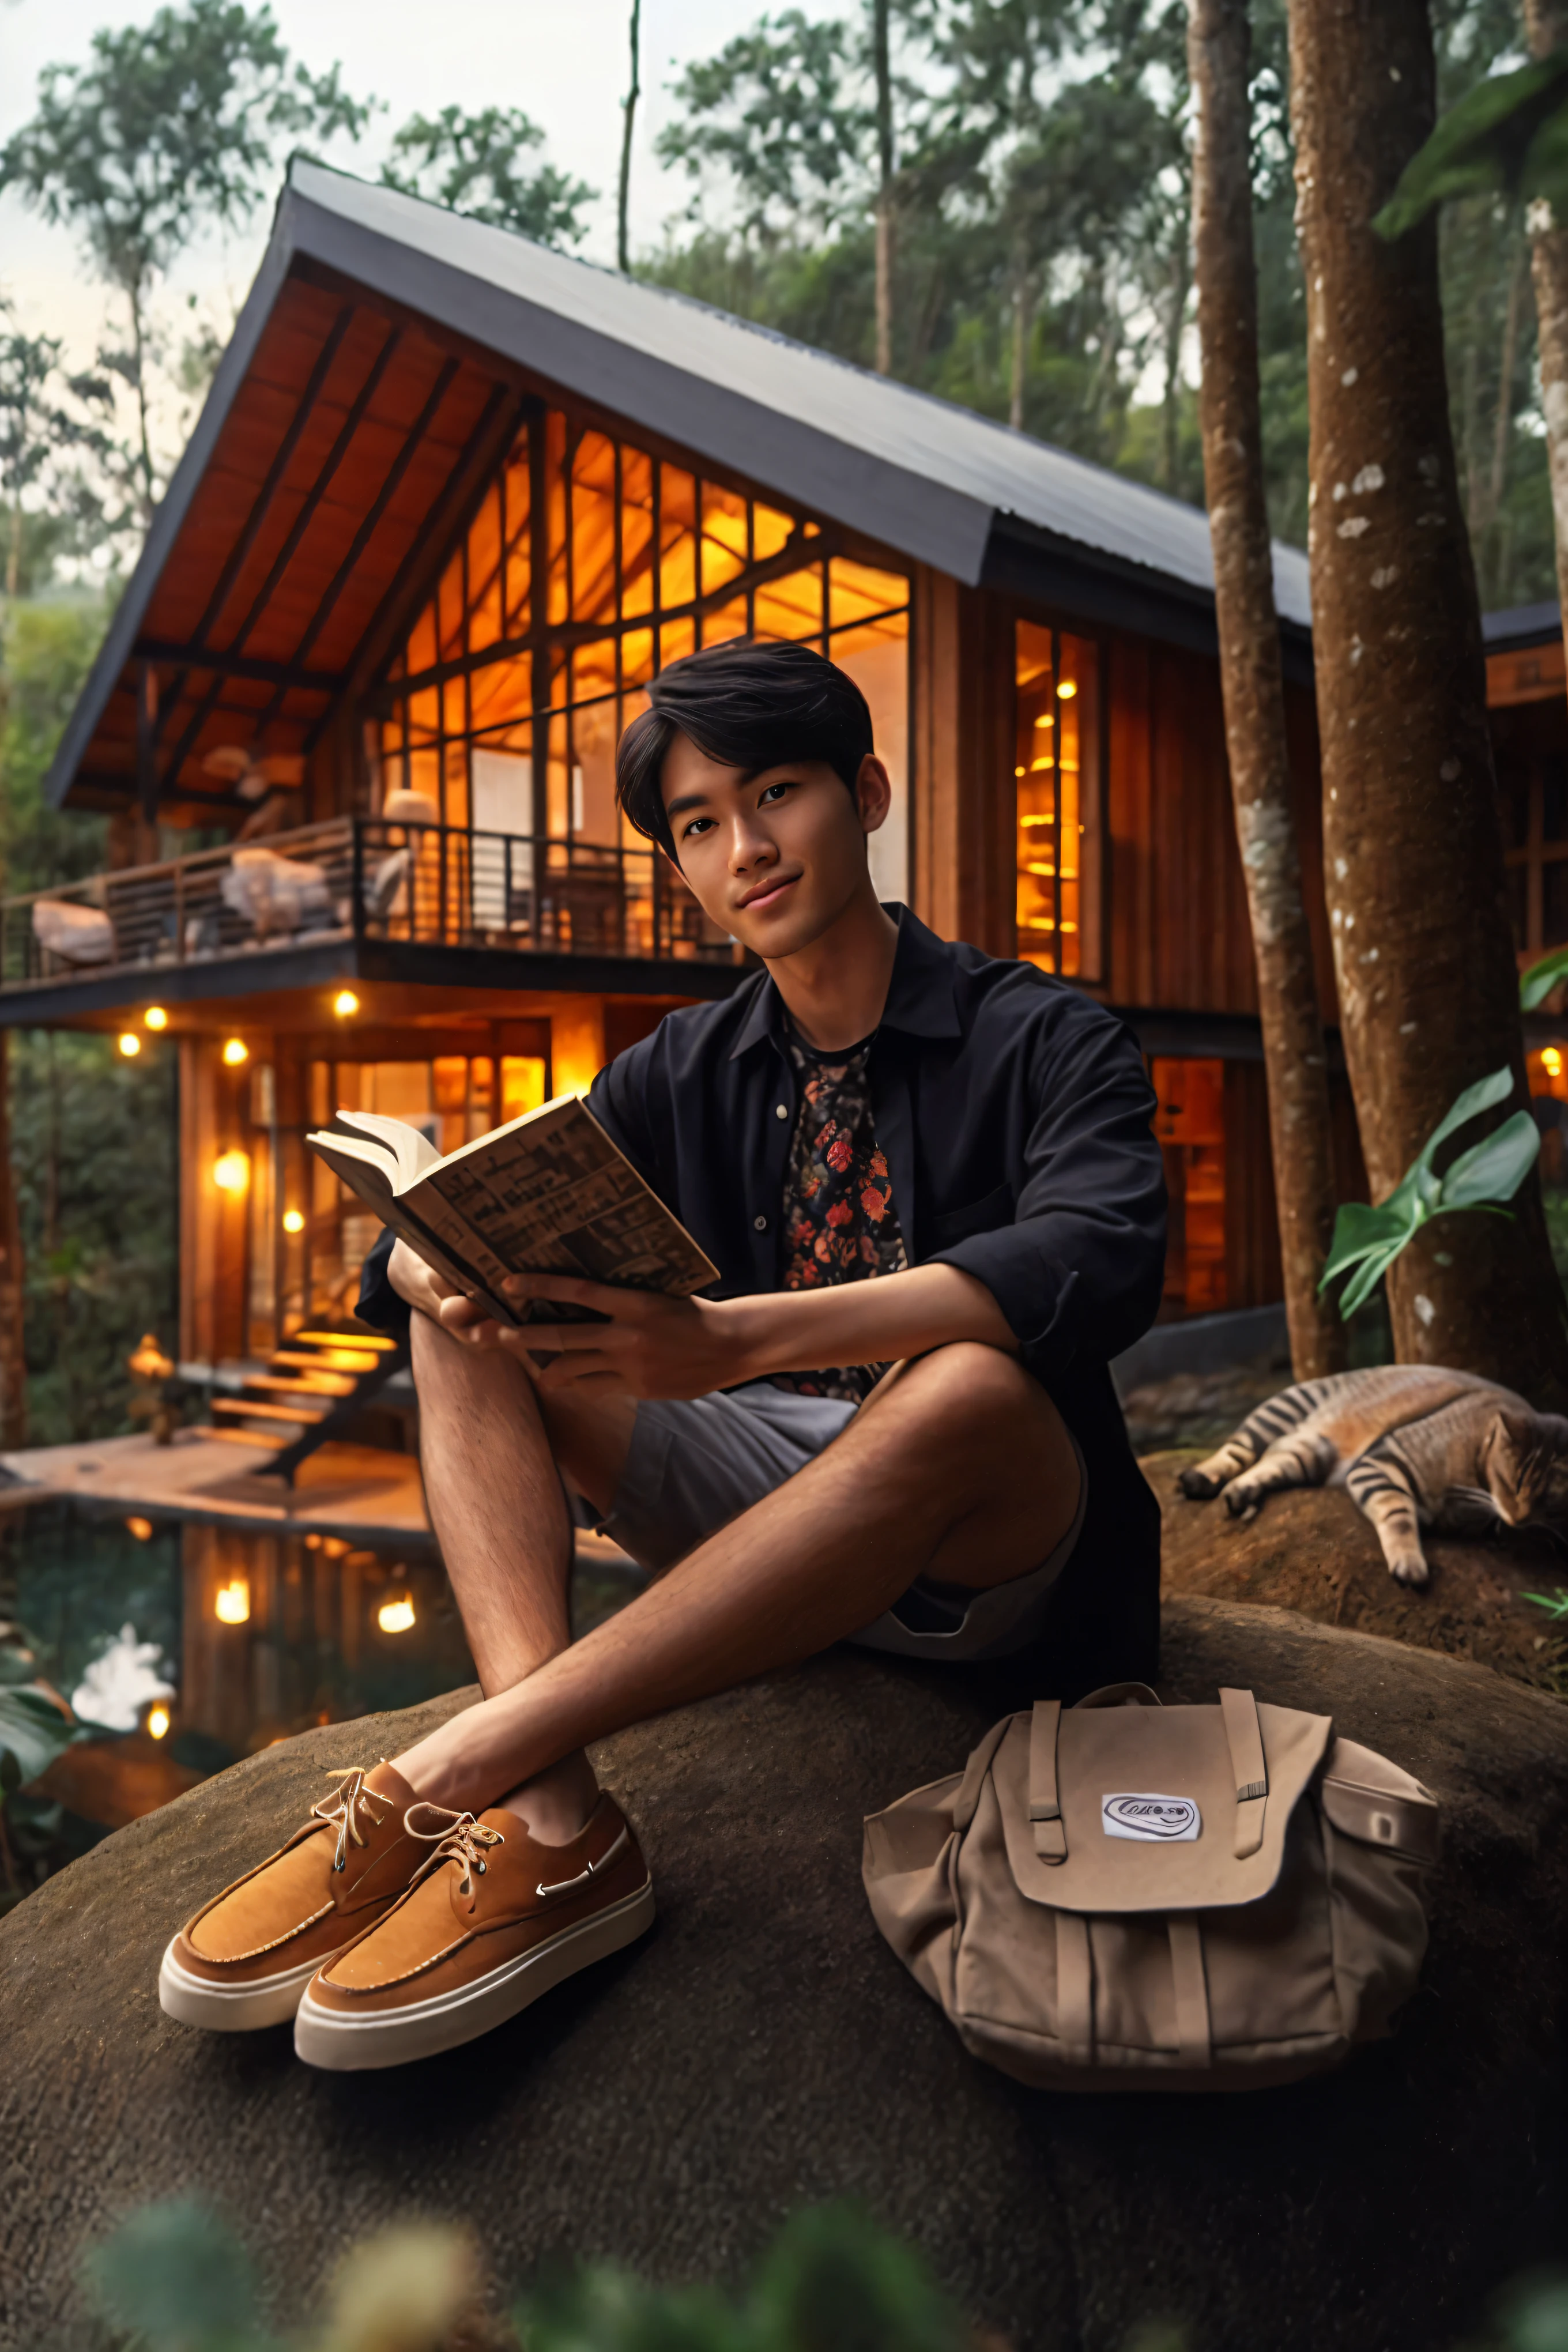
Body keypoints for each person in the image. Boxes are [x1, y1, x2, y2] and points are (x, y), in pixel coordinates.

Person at [157, 640, 1167, 2071]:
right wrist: (430, 1259)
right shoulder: (682, 1065)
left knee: (968, 1381)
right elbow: (436, 1265)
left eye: (775, 795)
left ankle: (457, 1764)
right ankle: (557, 1817)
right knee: (461, 1328)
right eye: (699, 824)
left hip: (989, 1554)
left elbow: (1105, 1254)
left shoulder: (1040, 1033)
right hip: (758, 1527)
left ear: (864, 793)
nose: (743, 848)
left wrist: (731, 1343)